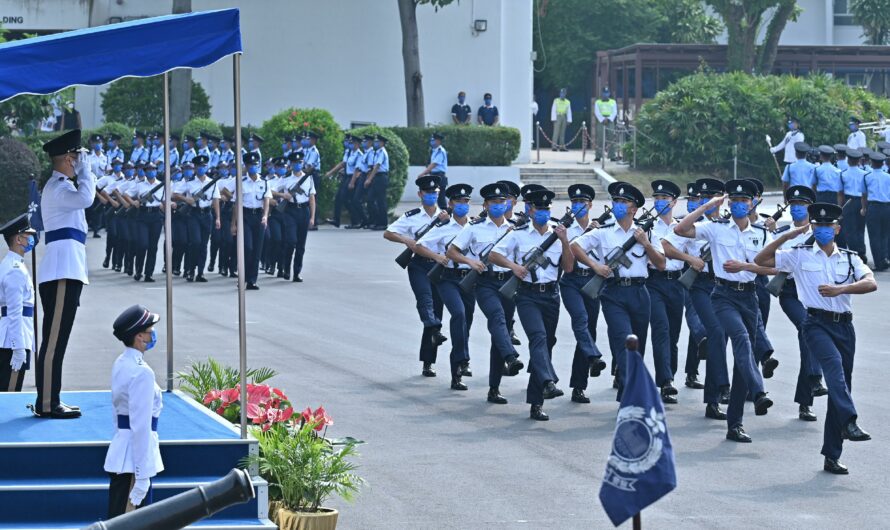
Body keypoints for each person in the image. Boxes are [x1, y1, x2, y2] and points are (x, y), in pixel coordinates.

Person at [755, 203, 876, 474]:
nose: (822, 230)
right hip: (816, 323)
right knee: (832, 368)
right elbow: (761, 261)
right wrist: (785, 236)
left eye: (827, 226)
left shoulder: (849, 257)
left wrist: (842, 289)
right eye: (817, 226)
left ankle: (832, 454)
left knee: (842, 387)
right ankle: (850, 420)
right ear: (812, 227)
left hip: (845, 327)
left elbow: (871, 282)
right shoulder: (798, 255)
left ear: (836, 229)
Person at [674, 179, 775, 443]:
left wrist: (748, 267)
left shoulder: (762, 234)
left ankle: (735, 424)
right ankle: (759, 391)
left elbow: (776, 268)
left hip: (749, 297)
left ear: (752, 203)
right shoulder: (716, 228)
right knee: (739, 338)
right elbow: (681, 229)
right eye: (735, 201)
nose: (739, 205)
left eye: (744, 201)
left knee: (744, 356)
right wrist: (707, 205)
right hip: (723, 295)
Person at [572, 182, 665, 400]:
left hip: (640, 292)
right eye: (616, 201)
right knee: (625, 341)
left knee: (637, 345)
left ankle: (626, 391)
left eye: (624, 202)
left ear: (634, 208)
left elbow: (661, 264)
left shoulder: (646, 233)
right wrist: (595, 266)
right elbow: (576, 246)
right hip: (614, 293)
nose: (619, 205)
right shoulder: (603, 232)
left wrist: (646, 244)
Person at [490, 188, 573, 421]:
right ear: (531, 210)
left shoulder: (558, 233)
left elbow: (568, 268)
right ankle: (548, 381)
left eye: (547, 208)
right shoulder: (519, 234)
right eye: (539, 208)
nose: (544, 212)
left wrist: (565, 241)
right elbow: (494, 255)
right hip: (527, 295)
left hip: (551, 296)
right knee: (538, 338)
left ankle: (536, 403)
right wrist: (514, 267)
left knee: (546, 345)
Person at [33, 129, 96, 419]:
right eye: (77, 158)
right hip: (61, 271)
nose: (80, 163)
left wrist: (85, 172)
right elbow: (86, 198)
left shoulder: (61, 187)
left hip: (67, 269)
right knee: (54, 340)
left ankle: (50, 398)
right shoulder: (58, 188)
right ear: (69, 159)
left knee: (58, 339)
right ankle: (46, 402)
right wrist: (87, 172)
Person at [447, 183, 525, 404]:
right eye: (494, 203)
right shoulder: (474, 228)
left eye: (502, 202)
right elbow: (452, 251)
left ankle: (494, 387)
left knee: (501, 331)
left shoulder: (515, 228)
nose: (499, 206)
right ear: (486, 205)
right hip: (485, 284)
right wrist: (470, 261)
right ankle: (510, 356)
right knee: (497, 319)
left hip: (509, 283)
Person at [662, 179, 729, 419]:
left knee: (720, 339)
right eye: (703, 197)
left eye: (713, 197)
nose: (707, 201)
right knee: (714, 333)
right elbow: (667, 245)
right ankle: (721, 388)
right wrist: (690, 260)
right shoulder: (694, 225)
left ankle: (713, 399)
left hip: (724, 287)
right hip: (699, 284)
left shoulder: (728, 224)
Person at [384, 176, 448, 376]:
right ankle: (433, 326)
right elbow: (388, 233)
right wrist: (407, 240)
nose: (431, 196)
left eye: (434, 193)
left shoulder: (446, 217)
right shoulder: (412, 216)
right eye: (427, 193)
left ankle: (428, 362)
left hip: (439, 266)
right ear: (420, 194)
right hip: (419, 265)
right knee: (425, 300)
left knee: (436, 310)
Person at [773, 186, 827, 422]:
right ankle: (815, 379)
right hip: (791, 293)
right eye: (793, 205)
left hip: (815, 294)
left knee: (809, 339)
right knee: (808, 328)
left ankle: (805, 403)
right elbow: (775, 263)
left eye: (802, 205)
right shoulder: (782, 233)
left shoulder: (822, 234)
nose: (797, 209)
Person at [104, 304, 164, 517]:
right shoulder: (142, 373)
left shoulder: (122, 362)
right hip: (133, 462)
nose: (153, 335)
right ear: (139, 336)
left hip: (124, 449)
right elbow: (141, 427)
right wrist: (142, 475)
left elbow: (118, 413)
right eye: (149, 331)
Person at [416, 184, 475, 390]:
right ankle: (451, 360)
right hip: (446, 278)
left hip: (468, 279)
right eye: (459, 202)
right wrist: (436, 256)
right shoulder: (444, 228)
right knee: (454, 315)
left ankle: (457, 372)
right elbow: (419, 245)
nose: (463, 205)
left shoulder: (474, 227)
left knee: (465, 322)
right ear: (450, 204)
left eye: (466, 201)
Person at [559, 184, 607, 404]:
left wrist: (595, 233)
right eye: (575, 203)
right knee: (581, 319)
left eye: (583, 203)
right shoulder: (564, 229)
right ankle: (593, 356)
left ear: (590, 205)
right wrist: (567, 240)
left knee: (590, 330)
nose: (579, 206)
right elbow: (567, 267)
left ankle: (579, 386)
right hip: (571, 281)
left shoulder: (601, 228)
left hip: (593, 280)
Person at [644, 180, 688, 403]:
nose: (660, 202)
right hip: (654, 283)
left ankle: (670, 374)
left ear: (674, 202)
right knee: (660, 330)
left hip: (676, 283)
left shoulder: (681, 228)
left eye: (664, 198)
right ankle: (666, 381)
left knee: (673, 334)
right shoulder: (647, 227)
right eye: (657, 198)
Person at [0, 213, 37, 393]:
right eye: (28, 235)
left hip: (16, 335)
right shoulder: (15, 270)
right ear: (18, 239)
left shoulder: (13, 264)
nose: (32, 239)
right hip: (14, 338)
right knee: (10, 392)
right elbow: (15, 312)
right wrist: (18, 347)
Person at [231, 152, 272, 290]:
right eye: (250, 165)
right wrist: (234, 223)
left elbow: (266, 201)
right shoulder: (241, 182)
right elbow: (236, 204)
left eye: (255, 164)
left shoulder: (264, 182)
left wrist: (265, 216)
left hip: (259, 216)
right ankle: (242, 277)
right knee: (247, 248)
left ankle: (252, 280)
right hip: (245, 216)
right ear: (246, 167)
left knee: (257, 249)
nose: (252, 167)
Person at [275, 152, 316, 283]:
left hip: (304, 211)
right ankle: (286, 267)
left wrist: (312, 217)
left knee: (301, 245)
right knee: (291, 241)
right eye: (295, 163)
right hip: (290, 211)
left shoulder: (308, 178)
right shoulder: (286, 178)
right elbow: (270, 190)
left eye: (300, 162)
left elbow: (312, 198)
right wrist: (283, 196)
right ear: (291, 164)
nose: (298, 165)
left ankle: (297, 272)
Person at [185, 155, 221, 282]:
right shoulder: (189, 182)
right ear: (195, 167)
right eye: (199, 166)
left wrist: (218, 218)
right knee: (195, 242)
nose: (201, 168)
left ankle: (200, 272)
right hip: (194, 214)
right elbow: (174, 194)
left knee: (204, 245)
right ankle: (191, 269)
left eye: (204, 166)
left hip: (207, 214)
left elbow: (216, 200)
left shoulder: (212, 182)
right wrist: (186, 199)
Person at [131, 163, 164, 283]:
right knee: (142, 244)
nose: (151, 171)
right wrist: (133, 202)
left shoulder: (162, 185)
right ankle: (138, 270)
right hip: (143, 215)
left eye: (153, 169)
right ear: (145, 172)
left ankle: (148, 273)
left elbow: (165, 201)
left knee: (152, 247)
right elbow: (126, 194)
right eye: (149, 170)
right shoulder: (139, 185)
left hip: (156, 216)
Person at [325, 135, 362, 228]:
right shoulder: (348, 152)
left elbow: (357, 170)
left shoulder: (359, 154)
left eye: (352, 143)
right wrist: (333, 172)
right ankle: (337, 220)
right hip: (346, 177)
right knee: (340, 198)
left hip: (353, 178)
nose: (350, 144)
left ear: (357, 144)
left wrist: (352, 182)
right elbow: (343, 164)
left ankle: (356, 220)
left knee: (348, 199)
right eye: (349, 142)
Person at [862, 151, 890, 271]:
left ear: (872, 163)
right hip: (886, 207)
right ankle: (884, 259)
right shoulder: (888, 176)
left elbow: (864, 195)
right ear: (882, 163)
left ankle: (878, 262)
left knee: (874, 236)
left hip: (873, 207)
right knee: (885, 235)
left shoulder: (867, 176)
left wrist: (864, 208)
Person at [838, 149, 868, 263]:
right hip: (861, 201)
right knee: (860, 228)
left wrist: (840, 208)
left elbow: (840, 193)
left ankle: (853, 253)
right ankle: (861, 253)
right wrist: (864, 206)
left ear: (848, 160)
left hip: (848, 201)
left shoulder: (843, 173)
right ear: (859, 160)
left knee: (850, 229)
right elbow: (866, 192)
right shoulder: (865, 173)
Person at [365, 134, 390, 230]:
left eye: (377, 141)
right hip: (376, 177)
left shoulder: (382, 152)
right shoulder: (377, 152)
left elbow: (377, 166)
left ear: (382, 143)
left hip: (381, 177)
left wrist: (369, 179)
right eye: (375, 141)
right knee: (370, 199)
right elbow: (372, 167)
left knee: (381, 201)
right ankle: (376, 221)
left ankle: (383, 223)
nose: (375, 143)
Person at [417, 132, 448, 209]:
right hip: (434, 175)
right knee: (432, 196)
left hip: (439, 176)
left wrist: (423, 174)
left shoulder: (440, 151)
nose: (432, 141)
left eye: (434, 140)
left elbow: (434, 164)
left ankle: (445, 216)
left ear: (439, 141)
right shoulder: (434, 150)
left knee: (441, 199)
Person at [594, 87, 617, 161]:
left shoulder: (613, 102)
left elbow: (614, 112)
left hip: (610, 120)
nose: (605, 94)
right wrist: (602, 119)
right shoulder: (598, 102)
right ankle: (598, 155)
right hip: (601, 120)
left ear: (609, 94)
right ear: (601, 93)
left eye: (607, 93)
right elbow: (597, 112)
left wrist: (609, 119)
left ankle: (612, 156)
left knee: (611, 137)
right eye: (604, 93)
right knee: (600, 138)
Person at [551, 88, 573, 152]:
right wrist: (553, 118)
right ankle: (554, 146)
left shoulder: (568, 102)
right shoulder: (556, 100)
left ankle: (562, 147)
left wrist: (569, 120)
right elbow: (553, 110)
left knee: (562, 133)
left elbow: (569, 111)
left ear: (565, 94)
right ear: (559, 93)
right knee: (556, 132)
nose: (562, 94)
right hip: (557, 116)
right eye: (561, 93)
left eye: (563, 93)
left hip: (564, 116)